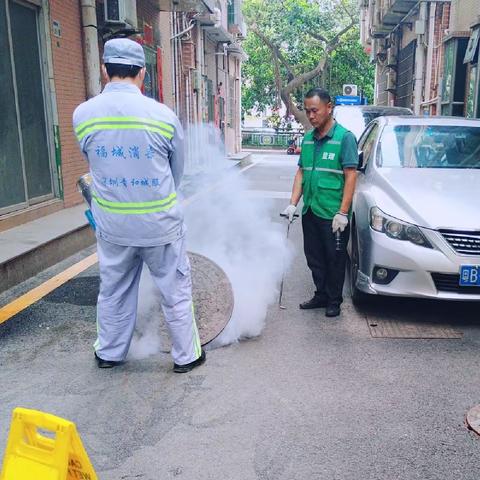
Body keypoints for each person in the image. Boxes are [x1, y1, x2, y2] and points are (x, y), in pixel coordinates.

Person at [73, 38, 205, 372]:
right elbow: (177, 172)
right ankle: (186, 357)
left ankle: (109, 353)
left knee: (114, 291)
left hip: (113, 226)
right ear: (142, 73)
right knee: (175, 290)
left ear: (105, 69)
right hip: (159, 224)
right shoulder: (163, 116)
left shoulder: (83, 115)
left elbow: (93, 162)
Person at [283, 88, 358, 317]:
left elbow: (351, 175)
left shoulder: (344, 138)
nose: (311, 116)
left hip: (332, 213)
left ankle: (334, 299)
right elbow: (301, 173)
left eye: (314, 110)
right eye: (307, 111)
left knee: (334, 259)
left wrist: (343, 212)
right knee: (314, 256)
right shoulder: (307, 139)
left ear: (329, 107)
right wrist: (293, 203)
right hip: (311, 210)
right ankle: (321, 294)